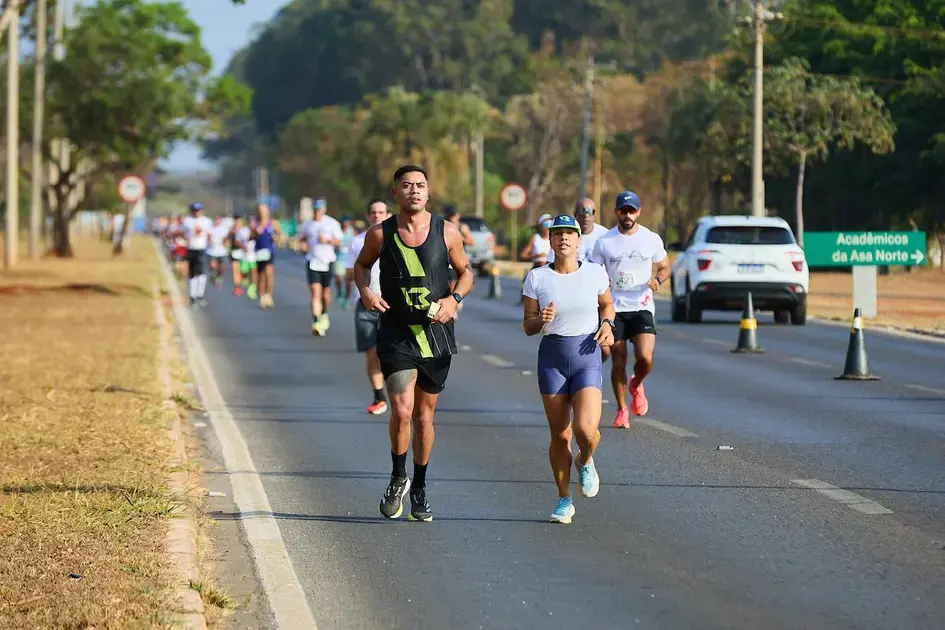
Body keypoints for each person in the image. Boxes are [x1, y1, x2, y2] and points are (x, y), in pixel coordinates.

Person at [354, 165, 474, 522]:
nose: (415, 191)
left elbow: (466, 272)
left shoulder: (447, 231)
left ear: (428, 192)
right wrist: (365, 292)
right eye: (407, 186)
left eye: (420, 185)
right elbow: (361, 267)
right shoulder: (381, 233)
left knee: (424, 417)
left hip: (436, 335)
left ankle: (419, 485)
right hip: (396, 332)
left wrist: (454, 301)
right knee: (402, 411)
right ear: (396, 193)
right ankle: (397, 477)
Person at [522, 214, 615, 524]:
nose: (563, 238)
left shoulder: (594, 272)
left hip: (587, 353)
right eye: (557, 233)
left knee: (586, 430)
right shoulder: (537, 277)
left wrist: (607, 324)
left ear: (578, 240)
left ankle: (585, 460)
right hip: (552, 357)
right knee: (559, 434)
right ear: (549, 240)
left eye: (569, 234)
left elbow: (607, 304)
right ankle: (564, 500)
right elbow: (528, 326)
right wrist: (541, 320)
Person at [589, 191, 670, 428]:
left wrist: (658, 280)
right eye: (623, 211)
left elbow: (665, 266)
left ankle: (636, 383)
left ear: (639, 212)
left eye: (631, 210)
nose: (627, 215)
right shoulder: (604, 242)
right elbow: (594, 271)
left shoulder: (651, 239)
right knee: (618, 360)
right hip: (615, 308)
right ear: (616, 212)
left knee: (645, 357)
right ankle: (622, 409)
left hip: (642, 305)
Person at [345, 199, 393, 415]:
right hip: (365, 304)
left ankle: (398, 394)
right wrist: (354, 292)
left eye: (381, 212)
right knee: (371, 352)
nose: (377, 215)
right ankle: (379, 395)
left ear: (388, 214)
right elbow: (350, 270)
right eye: (373, 212)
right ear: (367, 215)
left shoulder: (397, 239)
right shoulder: (357, 242)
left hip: (392, 304)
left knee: (393, 354)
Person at [300, 198, 343, 335]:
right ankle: (316, 321)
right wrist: (303, 245)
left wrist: (328, 240)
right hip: (313, 261)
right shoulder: (307, 224)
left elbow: (339, 242)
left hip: (327, 261)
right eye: (315, 210)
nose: (317, 212)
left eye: (320, 210)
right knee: (315, 292)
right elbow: (302, 238)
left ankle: (323, 314)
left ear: (324, 210)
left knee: (326, 294)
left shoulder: (331, 223)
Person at [181, 202, 213, 308]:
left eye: (198, 210)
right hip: (191, 248)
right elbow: (182, 233)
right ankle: (192, 296)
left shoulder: (207, 221)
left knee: (202, 273)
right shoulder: (187, 221)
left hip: (202, 248)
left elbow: (209, 234)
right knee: (192, 273)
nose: (196, 212)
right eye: (194, 210)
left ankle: (200, 295)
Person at [252, 203, 282, 309]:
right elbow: (250, 237)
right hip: (259, 251)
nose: (262, 213)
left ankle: (268, 295)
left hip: (269, 251)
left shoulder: (272, 223)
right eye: (260, 210)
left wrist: (276, 238)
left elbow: (280, 235)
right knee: (260, 275)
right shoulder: (254, 223)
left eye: (264, 210)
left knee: (269, 273)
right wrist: (255, 233)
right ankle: (262, 296)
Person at [519, 213, 553, 303]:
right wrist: (536, 256)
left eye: (550, 224)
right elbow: (523, 254)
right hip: (537, 268)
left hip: (550, 270)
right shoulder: (535, 238)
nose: (548, 227)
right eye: (546, 224)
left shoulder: (554, 238)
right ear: (541, 226)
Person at [334, 216, 357, 310]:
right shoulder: (337, 231)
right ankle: (339, 292)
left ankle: (346, 299)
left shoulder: (352, 232)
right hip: (339, 258)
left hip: (350, 260)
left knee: (348, 282)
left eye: (347, 222)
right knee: (339, 279)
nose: (345, 224)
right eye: (344, 222)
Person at [207, 215, 230, 286]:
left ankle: (219, 277)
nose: (216, 221)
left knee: (222, 267)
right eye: (215, 220)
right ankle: (213, 274)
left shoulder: (224, 229)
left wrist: (226, 242)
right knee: (212, 266)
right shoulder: (210, 228)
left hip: (222, 251)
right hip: (211, 251)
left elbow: (227, 238)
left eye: (218, 220)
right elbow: (207, 237)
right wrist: (209, 240)